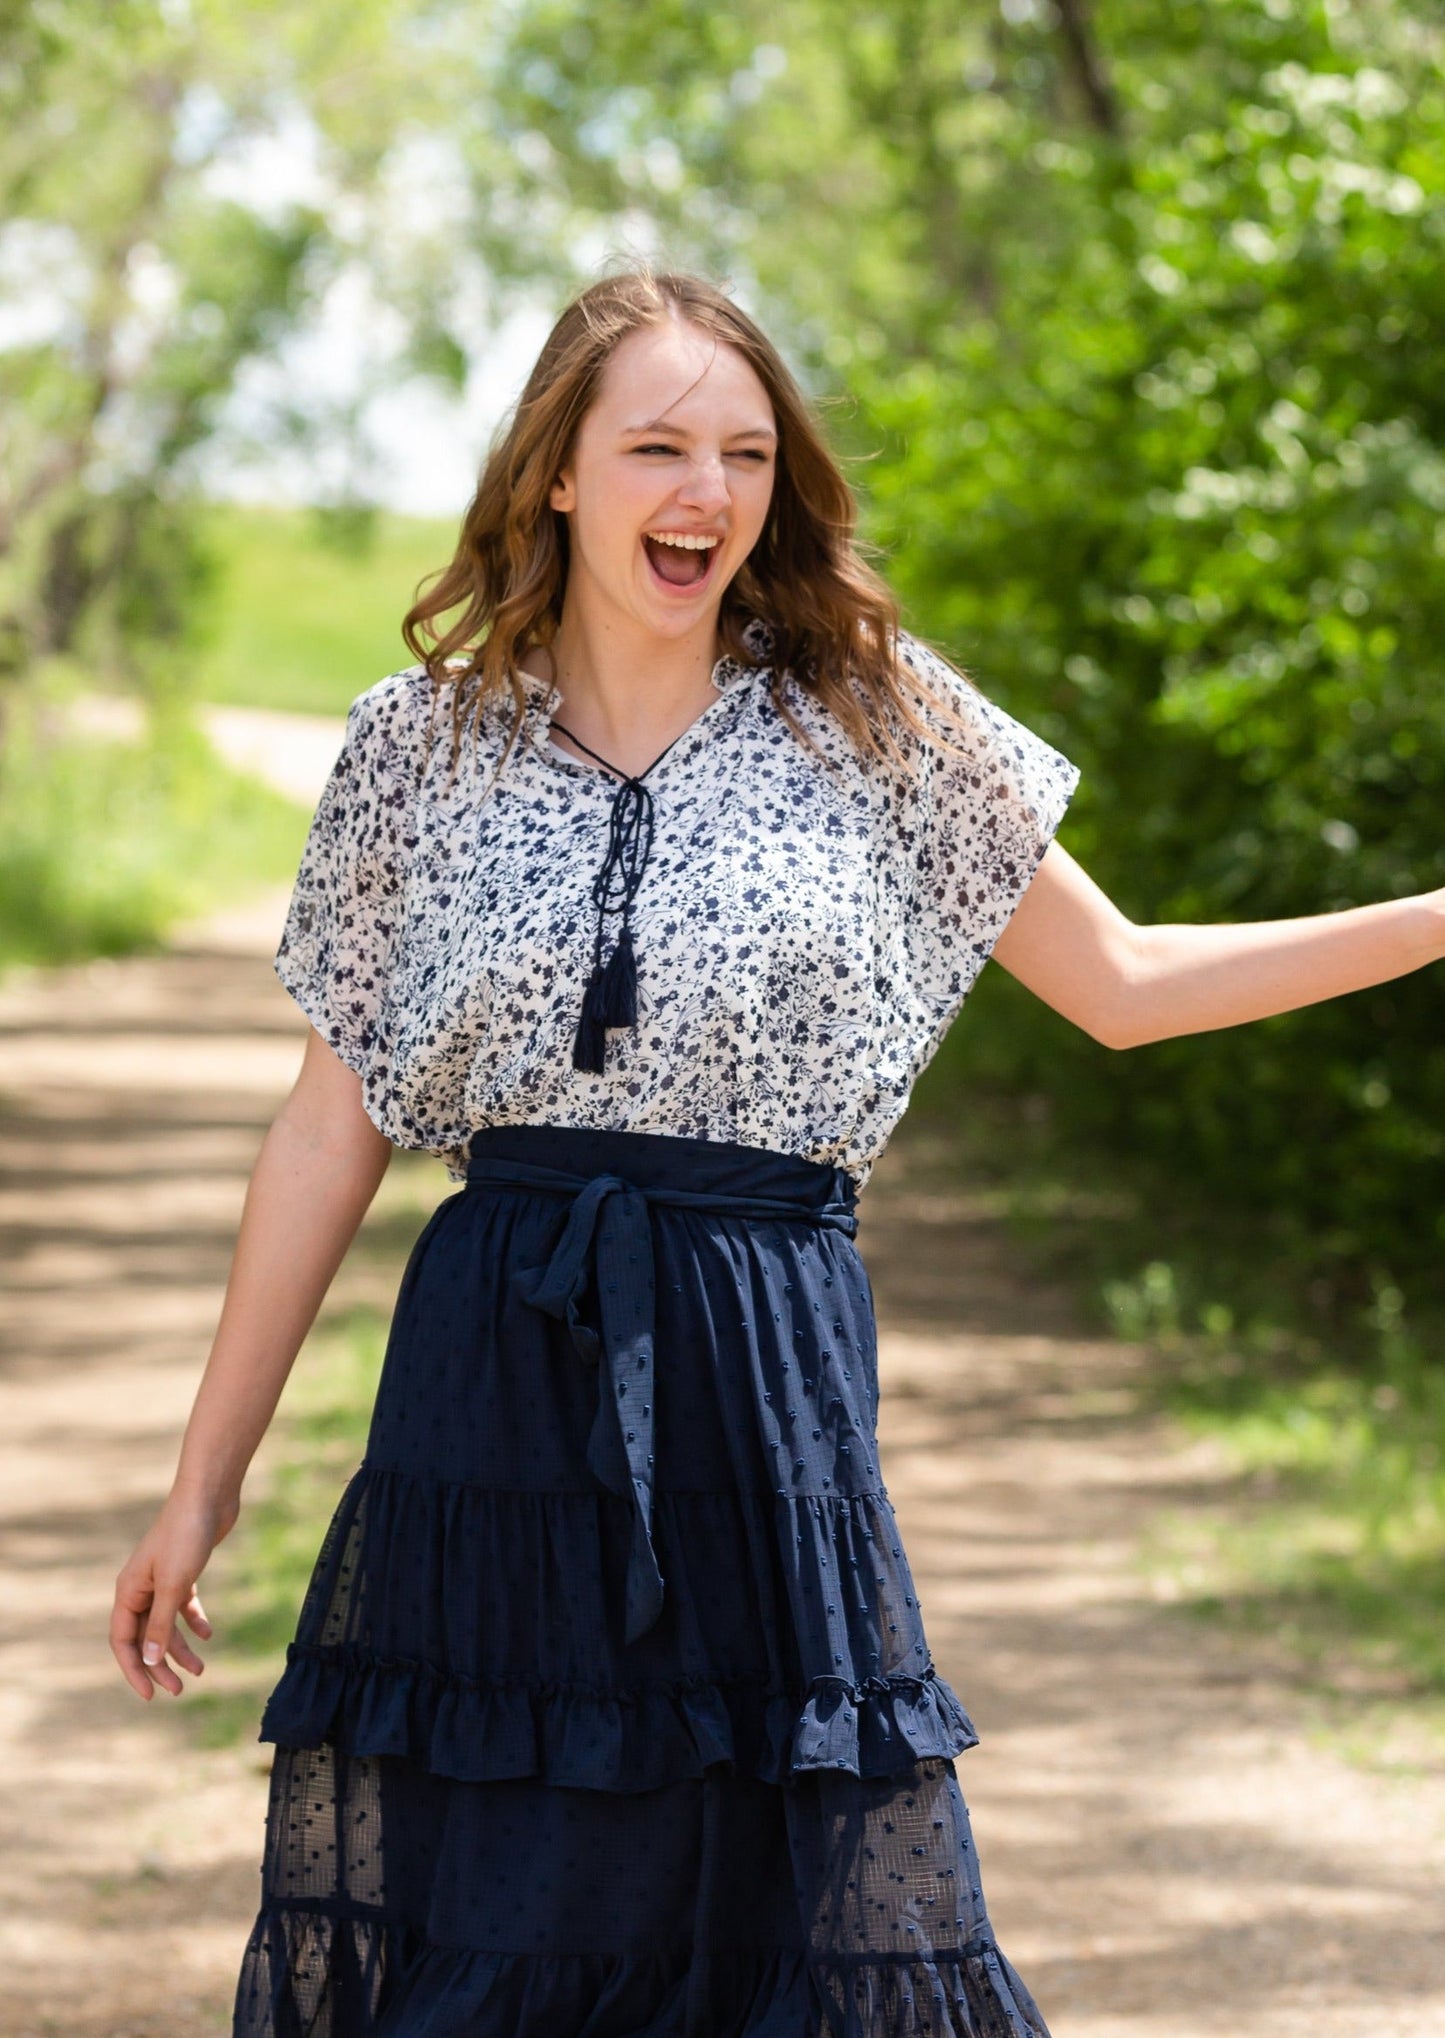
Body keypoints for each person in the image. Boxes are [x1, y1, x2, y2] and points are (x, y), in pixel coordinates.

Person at [110, 266, 1444, 2038]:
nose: (706, 494)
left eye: (742, 452)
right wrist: (202, 1486)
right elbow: (325, 1122)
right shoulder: (412, 748)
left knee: (790, 1924)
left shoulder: (871, 710)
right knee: (502, 1905)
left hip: (764, 1377)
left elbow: (1124, 984)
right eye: (656, 445)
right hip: (490, 1386)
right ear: (557, 475)